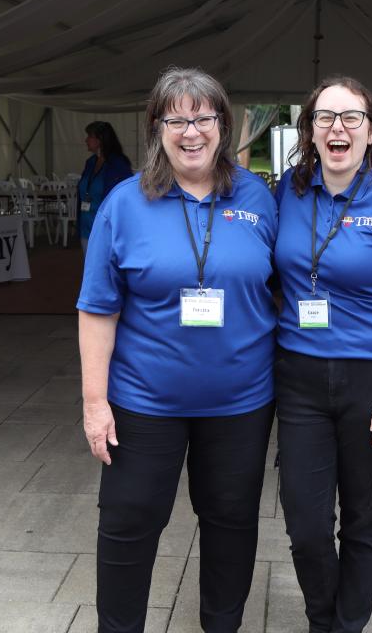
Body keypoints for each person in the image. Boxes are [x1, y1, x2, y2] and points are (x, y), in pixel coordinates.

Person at [77, 67, 278, 633]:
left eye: (203, 117)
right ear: (156, 128)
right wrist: (96, 404)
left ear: (223, 124)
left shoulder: (259, 198)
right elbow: (97, 309)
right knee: (127, 522)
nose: (191, 131)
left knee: (232, 523)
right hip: (144, 404)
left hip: (241, 403)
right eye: (177, 119)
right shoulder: (125, 203)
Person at [273, 77, 372, 633]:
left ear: (371, 131)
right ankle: (323, 618)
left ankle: (343, 627)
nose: (337, 127)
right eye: (324, 117)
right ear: (309, 131)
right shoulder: (285, 195)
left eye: (351, 117)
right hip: (299, 381)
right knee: (307, 523)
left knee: (362, 520)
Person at [77, 121, 132, 253]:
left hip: (107, 229)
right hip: (86, 226)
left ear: (100, 139)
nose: (86, 140)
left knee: (108, 271)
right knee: (90, 269)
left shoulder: (118, 164)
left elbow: (126, 197)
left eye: (89, 136)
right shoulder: (90, 163)